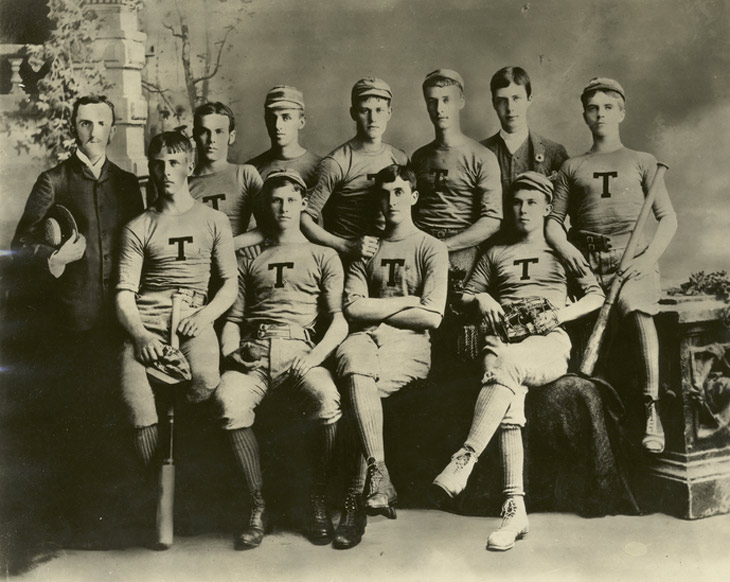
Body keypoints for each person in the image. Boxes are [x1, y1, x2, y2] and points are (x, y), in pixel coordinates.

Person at [431, 172, 604, 551]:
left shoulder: (563, 250)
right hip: (504, 338)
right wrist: (482, 299)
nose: (522, 209)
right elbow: (463, 297)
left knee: (504, 367)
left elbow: (595, 296)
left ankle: (466, 457)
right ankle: (514, 510)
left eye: (531, 203)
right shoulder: (496, 252)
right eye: (516, 202)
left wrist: (559, 316)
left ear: (546, 207)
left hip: (548, 341)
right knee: (511, 396)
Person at [11, 94, 144, 544]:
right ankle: (73, 525)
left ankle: (114, 523)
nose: (91, 131)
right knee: (75, 419)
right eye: (83, 123)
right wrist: (56, 255)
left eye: (100, 123)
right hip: (74, 321)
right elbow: (19, 245)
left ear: (112, 128)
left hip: (120, 320)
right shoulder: (53, 179)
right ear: (74, 128)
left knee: (118, 417)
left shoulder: (127, 184)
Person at [214, 169, 347, 550]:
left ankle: (317, 500)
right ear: (265, 206)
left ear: (304, 203)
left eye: (291, 199)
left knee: (327, 400)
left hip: (302, 350)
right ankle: (257, 506)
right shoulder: (249, 258)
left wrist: (316, 356)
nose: (284, 207)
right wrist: (231, 354)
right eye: (275, 200)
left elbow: (338, 319)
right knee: (228, 402)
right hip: (255, 349)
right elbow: (234, 320)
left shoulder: (324, 254)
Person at [115, 131, 237, 543]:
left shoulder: (213, 220)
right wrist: (141, 338)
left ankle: (192, 486)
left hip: (193, 320)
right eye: (158, 163)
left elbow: (229, 286)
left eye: (174, 163)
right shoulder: (138, 227)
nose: (166, 171)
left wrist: (204, 317)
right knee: (135, 400)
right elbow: (124, 295)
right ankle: (158, 497)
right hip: (146, 322)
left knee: (205, 380)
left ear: (189, 165)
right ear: (149, 168)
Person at [545, 78, 678, 453]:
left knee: (637, 310)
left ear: (621, 112)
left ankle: (653, 410)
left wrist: (647, 260)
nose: (600, 114)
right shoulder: (573, 166)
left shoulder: (642, 161)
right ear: (584, 115)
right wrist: (568, 253)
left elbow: (668, 218)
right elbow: (553, 222)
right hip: (586, 264)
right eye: (592, 108)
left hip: (631, 261)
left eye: (607, 107)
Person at [333, 164, 448, 549]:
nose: (391, 201)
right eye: (385, 194)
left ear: (413, 196)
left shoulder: (431, 247)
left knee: (361, 393)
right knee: (352, 365)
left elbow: (432, 314)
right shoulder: (366, 246)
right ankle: (379, 475)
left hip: (410, 343)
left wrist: (381, 306)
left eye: (399, 192)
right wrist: (407, 300)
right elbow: (352, 309)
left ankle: (354, 499)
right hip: (364, 337)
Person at [412, 69, 502, 289]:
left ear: (460, 101)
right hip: (420, 246)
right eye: (432, 101)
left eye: (446, 100)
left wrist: (445, 246)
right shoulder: (419, 156)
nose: (439, 109)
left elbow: (492, 220)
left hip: (462, 247)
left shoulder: (482, 156)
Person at [302, 77, 408, 263]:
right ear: (353, 113)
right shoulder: (337, 162)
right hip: (348, 260)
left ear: (389, 112)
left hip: (390, 259)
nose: (373, 118)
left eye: (379, 110)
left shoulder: (399, 158)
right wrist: (346, 246)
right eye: (364, 111)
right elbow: (304, 219)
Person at [481, 66, 569, 228]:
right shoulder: (479, 153)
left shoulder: (553, 152)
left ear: (529, 99)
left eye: (516, 98)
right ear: (493, 103)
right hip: (492, 246)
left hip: (541, 245)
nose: (510, 108)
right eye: (502, 100)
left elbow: (561, 211)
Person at [190, 101, 265, 250]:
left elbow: (270, 225)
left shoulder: (245, 174)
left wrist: (242, 242)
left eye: (219, 131)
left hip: (239, 261)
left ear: (231, 136)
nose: (211, 139)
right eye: (204, 131)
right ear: (194, 135)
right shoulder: (182, 184)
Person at [246, 86, 321, 188]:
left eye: (286, 118)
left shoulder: (321, 168)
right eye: (272, 118)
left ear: (301, 122)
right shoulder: (250, 170)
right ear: (265, 121)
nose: (277, 125)